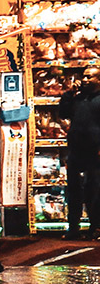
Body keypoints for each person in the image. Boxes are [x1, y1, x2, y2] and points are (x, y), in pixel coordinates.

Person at [59, 83, 100, 239]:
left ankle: (96, 227)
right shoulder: (78, 99)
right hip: (76, 151)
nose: (84, 79)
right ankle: (73, 228)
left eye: (90, 76)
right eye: (84, 75)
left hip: (95, 152)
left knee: (95, 190)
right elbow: (63, 114)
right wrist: (68, 94)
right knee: (73, 191)